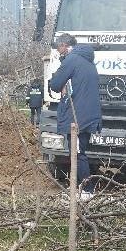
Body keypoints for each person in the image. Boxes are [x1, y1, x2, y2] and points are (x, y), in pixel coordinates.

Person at [48, 33, 101, 201]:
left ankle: (87, 190)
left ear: (64, 45)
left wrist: (55, 79)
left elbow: (55, 84)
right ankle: (80, 187)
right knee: (80, 151)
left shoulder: (72, 60)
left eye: (58, 48)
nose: (58, 51)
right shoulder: (87, 60)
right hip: (88, 114)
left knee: (77, 153)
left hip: (77, 115)